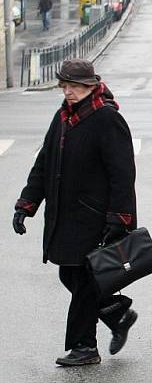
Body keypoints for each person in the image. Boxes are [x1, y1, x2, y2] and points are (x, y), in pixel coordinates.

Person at [12, 59, 138, 366]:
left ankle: (84, 346)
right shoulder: (63, 117)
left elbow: (123, 173)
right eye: (65, 86)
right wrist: (26, 204)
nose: (68, 92)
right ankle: (116, 312)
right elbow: (44, 163)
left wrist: (120, 218)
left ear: (91, 87)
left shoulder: (106, 118)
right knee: (69, 273)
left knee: (83, 281)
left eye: (75, 86)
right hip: (65, 214)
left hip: (95, 217)